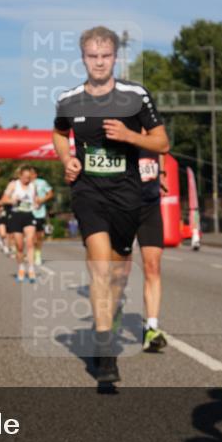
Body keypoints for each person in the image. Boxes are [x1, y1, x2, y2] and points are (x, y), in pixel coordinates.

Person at [52, 25, 169, 383]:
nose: (99, 62)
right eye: (92, 56)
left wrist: (130, 135)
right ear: (83, 58)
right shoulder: (70, 99)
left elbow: (162, 142)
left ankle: (109, 320)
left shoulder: (136, 96)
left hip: (128, 196)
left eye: (105, 56)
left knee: (118, 272)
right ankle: (105, 350)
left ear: (115, 58)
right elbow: (59, 133)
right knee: (100, 267)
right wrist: (66, 159)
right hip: (89, 194)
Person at [135, 147, 168, 353]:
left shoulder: (155, 127)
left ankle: (152, 327)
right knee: (121, 268)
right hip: (123, 206)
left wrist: (162, 174)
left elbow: (162, 148)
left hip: (150, 205)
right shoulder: (122, 124)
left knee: (153, 267)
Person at [1, 166, 38, 283]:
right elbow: (3, 200)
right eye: (25, 177)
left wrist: (36, 204)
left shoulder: (33, 186)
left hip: (28, 215)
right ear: (20, 176)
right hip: (16, 216)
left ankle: (31, 269)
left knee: (30, 242)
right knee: (19, 245)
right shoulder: (13, 185)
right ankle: (21, 268)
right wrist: (12, 201)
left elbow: (35, 199)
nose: (27, 180)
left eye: (29, 177)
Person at [31, 171, 54, 266]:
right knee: (31, 234)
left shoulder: (42, 182)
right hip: (28, 212)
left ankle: (38, 254)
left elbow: (50, 194)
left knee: (39, 236)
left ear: (36, 174)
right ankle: (31, 253)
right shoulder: (24, 183)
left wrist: (42, 200)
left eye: (33, 173)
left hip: (40, 212)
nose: (31, 175)